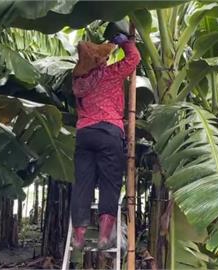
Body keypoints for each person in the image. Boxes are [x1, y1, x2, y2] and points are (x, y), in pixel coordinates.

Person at [70, 33, 140, 250]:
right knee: (110, 182)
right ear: (101, 62)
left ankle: (79, 237)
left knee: (82, 184)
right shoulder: (111, 74)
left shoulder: (78, 82)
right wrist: (126, 43)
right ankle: (103, 236)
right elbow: (133, 59)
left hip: (84, 134)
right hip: (109, 132)